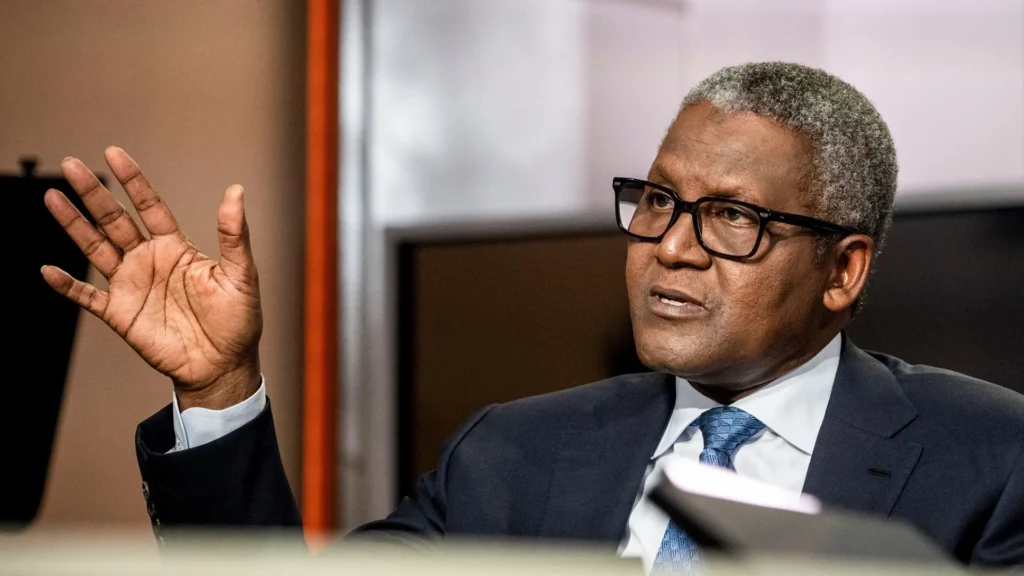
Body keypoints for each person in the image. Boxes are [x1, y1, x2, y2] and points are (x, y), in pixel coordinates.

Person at [42, 62, 1022, 569]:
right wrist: (219, 389)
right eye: (657, 200)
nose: (670, 247)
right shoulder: (512, 455)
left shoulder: (992, 459)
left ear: (843, 270)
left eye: (731, 217)